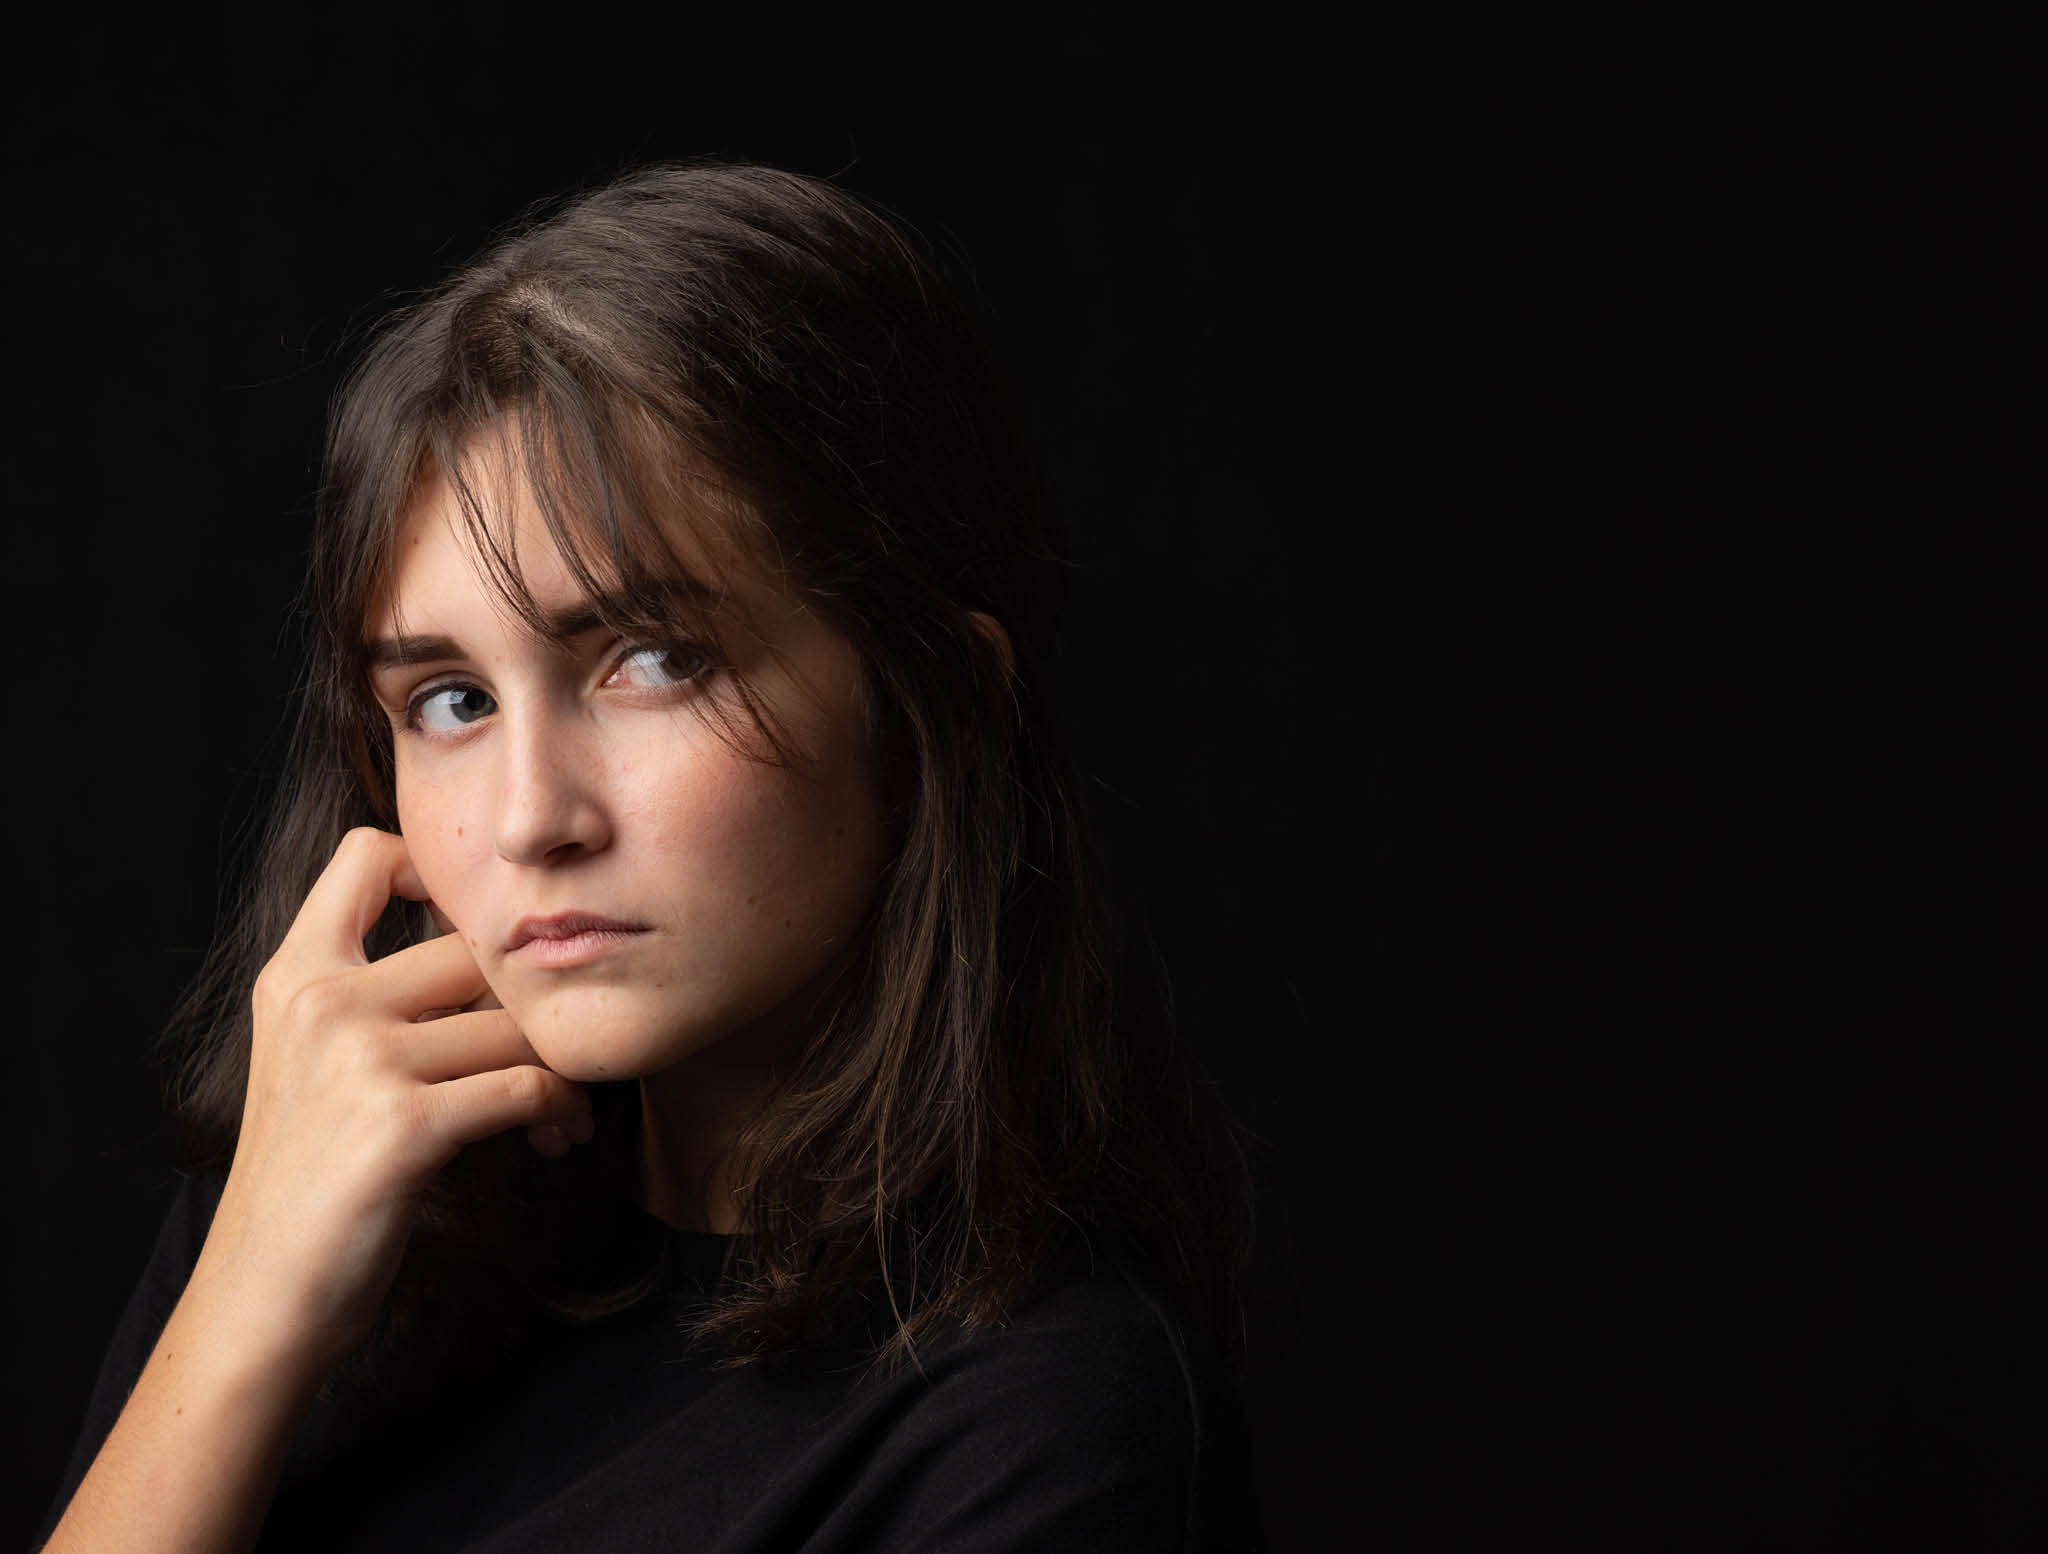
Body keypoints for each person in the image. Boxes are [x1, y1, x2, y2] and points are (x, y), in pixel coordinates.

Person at [36, 161, 1261, 1553]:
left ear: (940, 710)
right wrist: (245, 1306)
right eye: (450, 699)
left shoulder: (1036, 1420)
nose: (528, 816)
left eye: (654, 661)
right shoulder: (303, 1196)